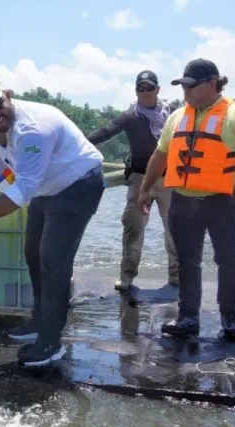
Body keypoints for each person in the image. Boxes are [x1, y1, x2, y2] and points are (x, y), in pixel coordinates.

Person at [0, 75, 106, 367]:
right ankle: (40, 321)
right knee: (33, 253)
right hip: (46, 187)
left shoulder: (32, 129)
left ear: (8, 95)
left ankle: (51, 342)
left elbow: (21, 190)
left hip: (79, 183)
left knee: (53, 260)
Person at [137, 59, 235, 342]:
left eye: (191, 86)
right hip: (182, 202)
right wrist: (145, 189)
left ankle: (230, 320)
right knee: (187, 260)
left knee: (229, 260)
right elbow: (160, 156)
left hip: (221, 201)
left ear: (212, 84)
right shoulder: (176, 117)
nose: (185, 92)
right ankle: (188, 318)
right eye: (182, 86)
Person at [86, 70, 177, 290]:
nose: (145, 92)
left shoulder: (174, 114)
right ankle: (126, 276)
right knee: (133, 228)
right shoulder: (129, 116)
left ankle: (177, 277)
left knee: (175, 229)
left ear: (158, 89)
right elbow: (105, 131)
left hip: (169, 179)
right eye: (140, 88)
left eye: (149, 87)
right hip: (139, 179)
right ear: (136, 91)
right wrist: (78, 142)